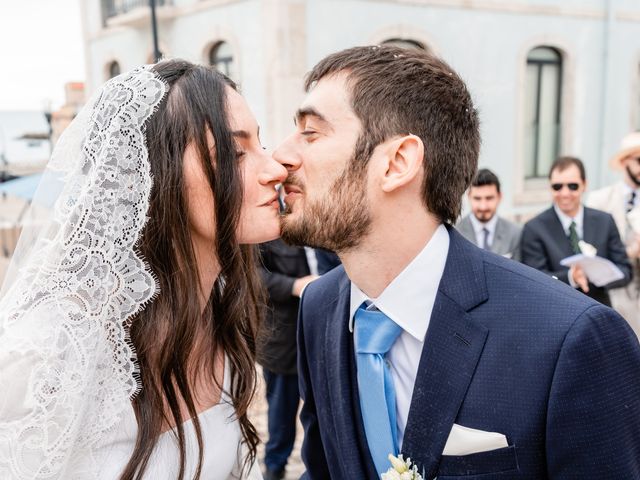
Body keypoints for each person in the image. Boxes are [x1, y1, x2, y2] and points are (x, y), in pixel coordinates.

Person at [273, 45, 640, 479]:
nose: (281, 155)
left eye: (311, 133)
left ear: (397, 163)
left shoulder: (571, 340)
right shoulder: (319, 309)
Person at [0, 59, 287, 479]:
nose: (275, 170)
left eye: (260, 144)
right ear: (152, 176)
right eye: (235, 152)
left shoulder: (221, 311)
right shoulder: (51, 349)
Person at [521, 156, 632, 307]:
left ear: (584, 185)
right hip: (556, 313)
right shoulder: (534, 228)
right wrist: (570, 277)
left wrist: (601, 275)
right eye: (557, 187)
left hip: (599, 310)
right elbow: (533, 278)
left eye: (572, 186)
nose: (565, 193)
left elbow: (625, 271)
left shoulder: (605, 221)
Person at [256, 240, 318, 480]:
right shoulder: (268, 225)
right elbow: (252, 276)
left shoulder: (330, 214)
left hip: (325, 333)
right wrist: (294, 286)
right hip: (283, 338)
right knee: (281, 411)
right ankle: (275, 466)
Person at [587, 132, 640, 335]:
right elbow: (591, 251)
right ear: (625, 161)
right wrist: (630, 252)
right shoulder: (600, 200)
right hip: (607, 299)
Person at [456, 168, 522, 260]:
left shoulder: (514, 233)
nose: (483, 207)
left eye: (489, 198)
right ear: (469, 197)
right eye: (477, 198)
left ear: (499, 197)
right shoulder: (455, 232)